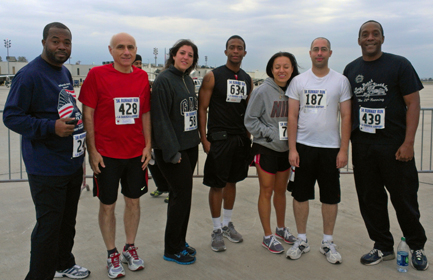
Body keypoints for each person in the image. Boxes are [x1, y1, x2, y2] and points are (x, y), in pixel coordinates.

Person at [3, 22, 90, 279]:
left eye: (67, 42)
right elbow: (11, 117)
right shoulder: (29, 74)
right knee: (49, 226)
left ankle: (64, 263)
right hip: (46, 166)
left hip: (70, 162)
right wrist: (50, 127)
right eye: (55, 41)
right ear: (44, 42)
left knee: (67, 222)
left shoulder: (63, 72)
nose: (62, 46)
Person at [343, 20, 429, 270]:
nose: (370, 38)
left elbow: (413, 104)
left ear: (382, 38)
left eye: (375, 34)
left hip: (395, 146)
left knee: (404, 199)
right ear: (359, 40)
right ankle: (382, 245)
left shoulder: (399, 64)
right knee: (370, 199)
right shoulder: (351, 69)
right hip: (363, 145)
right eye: (365, 34)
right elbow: (347, 110)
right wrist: (345, 147)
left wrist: (409, 143)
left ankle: (416, 246)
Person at [79, 33, 151, 278]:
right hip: (106, 155)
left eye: (131, 47)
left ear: (136, 49)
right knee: (107, 206)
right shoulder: (96, 75)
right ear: (111, 51)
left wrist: (148, 145)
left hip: (135, 154)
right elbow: (87, 114)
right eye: (120, 47)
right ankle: (111, 253)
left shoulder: (142, 77)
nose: (126, 51)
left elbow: (145, 114)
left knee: (133, 202)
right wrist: (93, 150)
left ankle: (129, 248)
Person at [286, 37, 351, 264]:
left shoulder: (340, 81)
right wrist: (292, 148)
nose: (320, 53)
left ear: (330, 53)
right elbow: (292, 116)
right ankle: (301, 239)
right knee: (300, 195)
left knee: (330, 197)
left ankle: (327, 242)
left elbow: (346, 116)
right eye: (316, 49)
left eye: (324, 49)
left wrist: (344, 150)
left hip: (330, 149)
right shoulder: (298, 81)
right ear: (310, 53)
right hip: (303, 148)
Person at [198, 35, 253, 252]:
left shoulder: (247, 79)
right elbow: (202, 108)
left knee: (232, 182)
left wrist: (248, 136)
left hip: (240, 139)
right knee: (217, 184)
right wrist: (204, 138)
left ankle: (227, 223)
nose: (236, 51)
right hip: (219, 139)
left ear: (244, 53)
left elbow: (248, 111)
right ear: (226, 51)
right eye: (232, 47)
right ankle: (216, 229)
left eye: (240, 48)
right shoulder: (213, 76)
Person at [151, 39, 200, 265]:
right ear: (173, 55)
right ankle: (172, 248)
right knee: (180, 198)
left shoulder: (187, 79)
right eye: (182, 53)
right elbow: (160, 120)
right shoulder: (163, 81)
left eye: (190, 55)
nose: (186, 58)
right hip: (173, 151)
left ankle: (179, 241)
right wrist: (173, 153)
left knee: (183, 198)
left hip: (189, 147)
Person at [244, 52, 299, 254]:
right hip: (266, 148)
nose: (282, 70)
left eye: (286, 66)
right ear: (271, 69)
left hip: (286, 149)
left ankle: (281, 229)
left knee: (281, 191)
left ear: (292, 69)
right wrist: (270, 134)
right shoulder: (262, 91)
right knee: (266, 191)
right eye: (277, 67)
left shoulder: (295, 90)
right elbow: (250, 120)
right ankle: (268, 236)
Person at [133, 54, 170, 202]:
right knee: (151, 162)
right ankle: (162, 186)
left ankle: (172, 188)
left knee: (161, 160)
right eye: (136, 63)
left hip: (151, 128)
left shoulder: (145, 81)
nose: (139, 65)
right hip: (137, 131)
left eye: (140, 63)